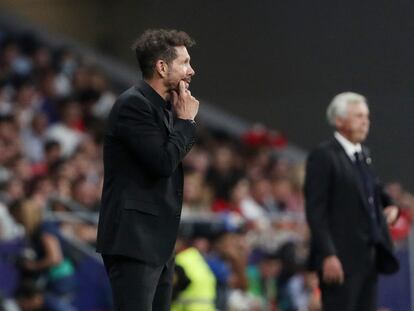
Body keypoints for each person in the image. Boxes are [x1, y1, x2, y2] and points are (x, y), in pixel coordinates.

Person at [96, 29, 199, 311]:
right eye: (185, 63)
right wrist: (186, 123)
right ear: (161, 66)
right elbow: (163, 162)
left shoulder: (165, 109)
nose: (192, 70)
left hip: (157, 244)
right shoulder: (134, 105)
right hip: (134, 240)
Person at [304, 92, 400, 311]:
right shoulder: (324, 156)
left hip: (368, 257)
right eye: (358, 116)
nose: (365, 121)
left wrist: (391, 204)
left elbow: (373, 188)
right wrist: (328, 254)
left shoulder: (362, 155)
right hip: (341, 259)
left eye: (366, 116)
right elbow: (315, 211)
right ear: (339, 121)